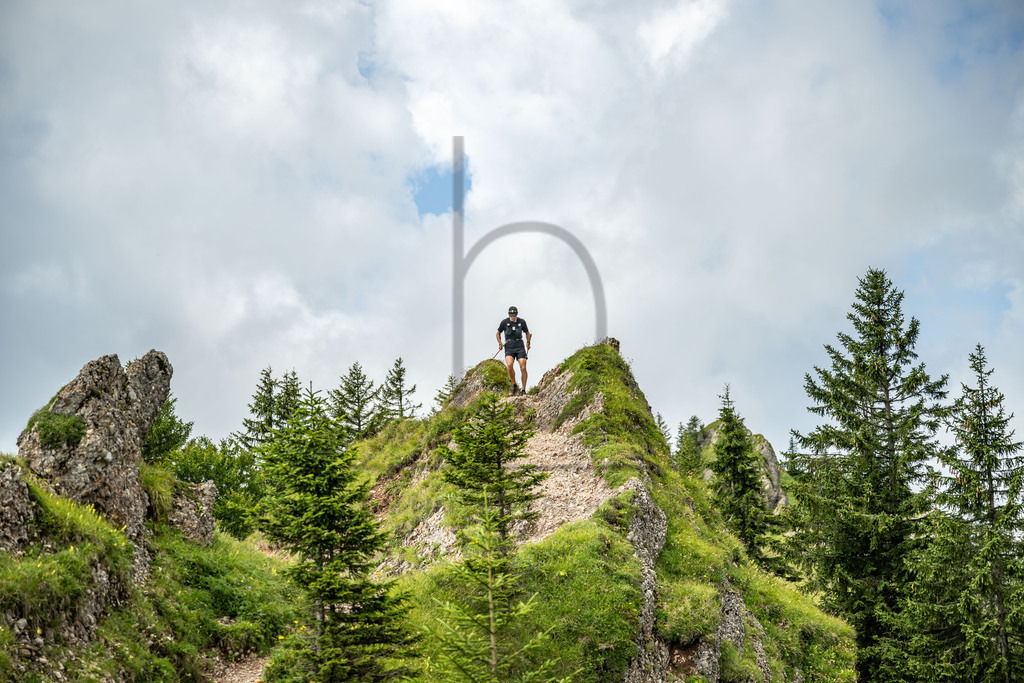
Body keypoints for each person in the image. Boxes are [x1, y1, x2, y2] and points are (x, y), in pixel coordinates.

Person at [496, 305, 531, 395]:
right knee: (510, 365)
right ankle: (514, 385)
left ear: (517, 314)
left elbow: (527, 332)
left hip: (519, 345)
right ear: (508, 314)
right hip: (509, 346)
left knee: (523, 367)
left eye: (514, 315)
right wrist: (500, 343)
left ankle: (523, 390)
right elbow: (498, 333)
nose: (513, 317)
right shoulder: (504, 322)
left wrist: (528, 342)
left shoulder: (522, 322)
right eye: (511, 315)